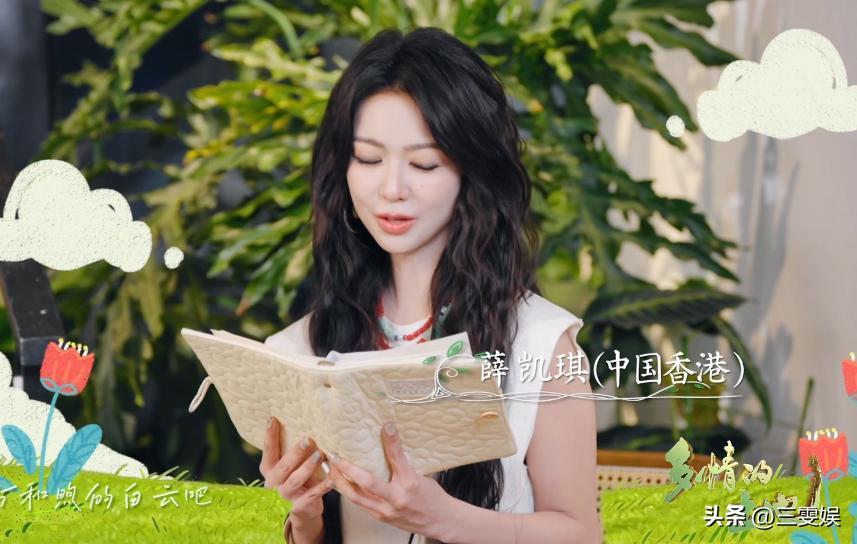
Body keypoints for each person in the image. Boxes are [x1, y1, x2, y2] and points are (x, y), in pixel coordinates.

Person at [259, 26, 601, 544]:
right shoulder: (303, 349)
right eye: (368, 159)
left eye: (424, 163)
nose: (391, 189)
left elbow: (580, 534)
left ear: (472, 173)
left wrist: (441, 518)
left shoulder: (541, 343)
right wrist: (305, 519)